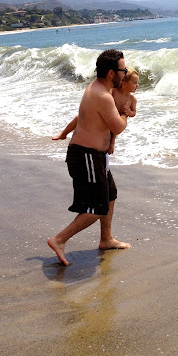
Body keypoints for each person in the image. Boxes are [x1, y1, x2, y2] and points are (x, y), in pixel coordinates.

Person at [47, 49, 133, 265]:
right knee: (96, 208)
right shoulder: (102, 96)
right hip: (86, 157)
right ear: (112, 73)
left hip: (94, 156)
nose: (125, 74)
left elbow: (82, 116)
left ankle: (106, 239)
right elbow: (118, 126)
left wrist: (64, 133)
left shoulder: (97, 89)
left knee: (110, 194)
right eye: (123, 71)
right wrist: (125, 113)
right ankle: (59, 240)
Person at [52, 68, 139, 155]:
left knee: (113, 133)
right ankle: (64, 133)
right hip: (104, 114)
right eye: (135, 83)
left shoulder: (132, 99)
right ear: (124, 84)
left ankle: (112, 144)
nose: (137, 85)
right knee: (80, 117)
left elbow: (134, 112)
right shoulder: (113, 91)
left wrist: (129, 112)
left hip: (114, 119)